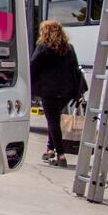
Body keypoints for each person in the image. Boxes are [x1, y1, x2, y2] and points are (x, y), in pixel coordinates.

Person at [30, 20, 83, 167]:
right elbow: (75, 69)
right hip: (66, 92)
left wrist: (30, 86)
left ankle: (61, 155)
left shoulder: (43, 47)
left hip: (49, 91)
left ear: (45, 32)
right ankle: (50, 150)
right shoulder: (69, 48)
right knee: (53, 120)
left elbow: (32, 67)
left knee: (53, 122)